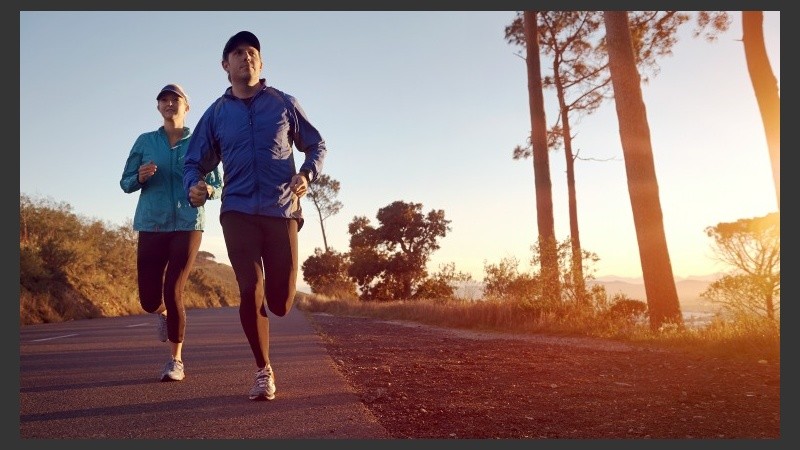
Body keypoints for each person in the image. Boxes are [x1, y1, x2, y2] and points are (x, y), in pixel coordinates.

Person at [183, 31, 327, 401]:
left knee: (280, 303)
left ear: (260, 63)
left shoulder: (283, 103)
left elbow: (316, 144)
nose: (245, 57)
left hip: (282, 210)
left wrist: (306, 174)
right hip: (238, 211)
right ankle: (263, 370)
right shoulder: (216, 114)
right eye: (237, 53)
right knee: (250, 288)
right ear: (225, 65)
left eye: (251, 52)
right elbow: (193, 161)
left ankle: (273, 310)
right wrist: (193, 185)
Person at [120, 83, 222, 382]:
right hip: (151, 223)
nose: (169, 103)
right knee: (149, 300)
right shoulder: (145, 141)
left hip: (188, 223)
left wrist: (207, 190)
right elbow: (125, 182)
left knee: (174, 288)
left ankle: (176, 360)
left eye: (175, 99)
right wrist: (139, 177)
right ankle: (162, 313)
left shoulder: (201, 141)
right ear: (158, 107)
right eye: (163, 100)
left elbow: (218, 183)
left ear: (186, 107)